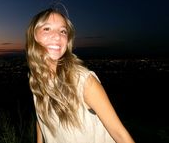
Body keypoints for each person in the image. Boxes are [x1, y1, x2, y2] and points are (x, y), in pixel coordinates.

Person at [25, 7, 135, 143]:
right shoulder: (36, 78)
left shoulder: (84, 81)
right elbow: (41, 119)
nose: (58, 36)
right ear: (34, 36)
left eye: (63, 31)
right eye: (47, 28)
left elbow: (120, 135)